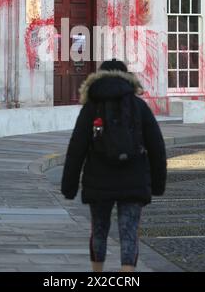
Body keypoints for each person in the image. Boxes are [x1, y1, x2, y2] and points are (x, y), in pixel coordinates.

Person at [61, 59, 167, 272]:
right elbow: (157, 146)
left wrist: (69, 185)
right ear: (127, 78)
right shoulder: (139, 106)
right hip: (134, 180)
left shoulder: (91, 107)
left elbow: (77, 147)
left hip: (98, 180)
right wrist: (157, 184)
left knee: (99, 230)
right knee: (129, 233)